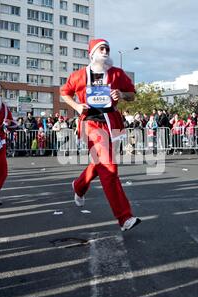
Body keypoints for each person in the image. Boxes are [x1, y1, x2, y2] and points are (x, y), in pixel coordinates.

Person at [60, 38, 141, 232]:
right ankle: (124, 217)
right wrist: (77, 106)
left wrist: (121, 94)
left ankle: (79, 186)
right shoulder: (79, 75)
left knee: (100, 163)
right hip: (91, 123)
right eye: (101, 48)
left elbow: (132, 94)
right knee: (109, 168)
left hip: (113, 123)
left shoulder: (116, 74)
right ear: (92, 54)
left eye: (107, 49)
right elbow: (64, 93)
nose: (105, 51)